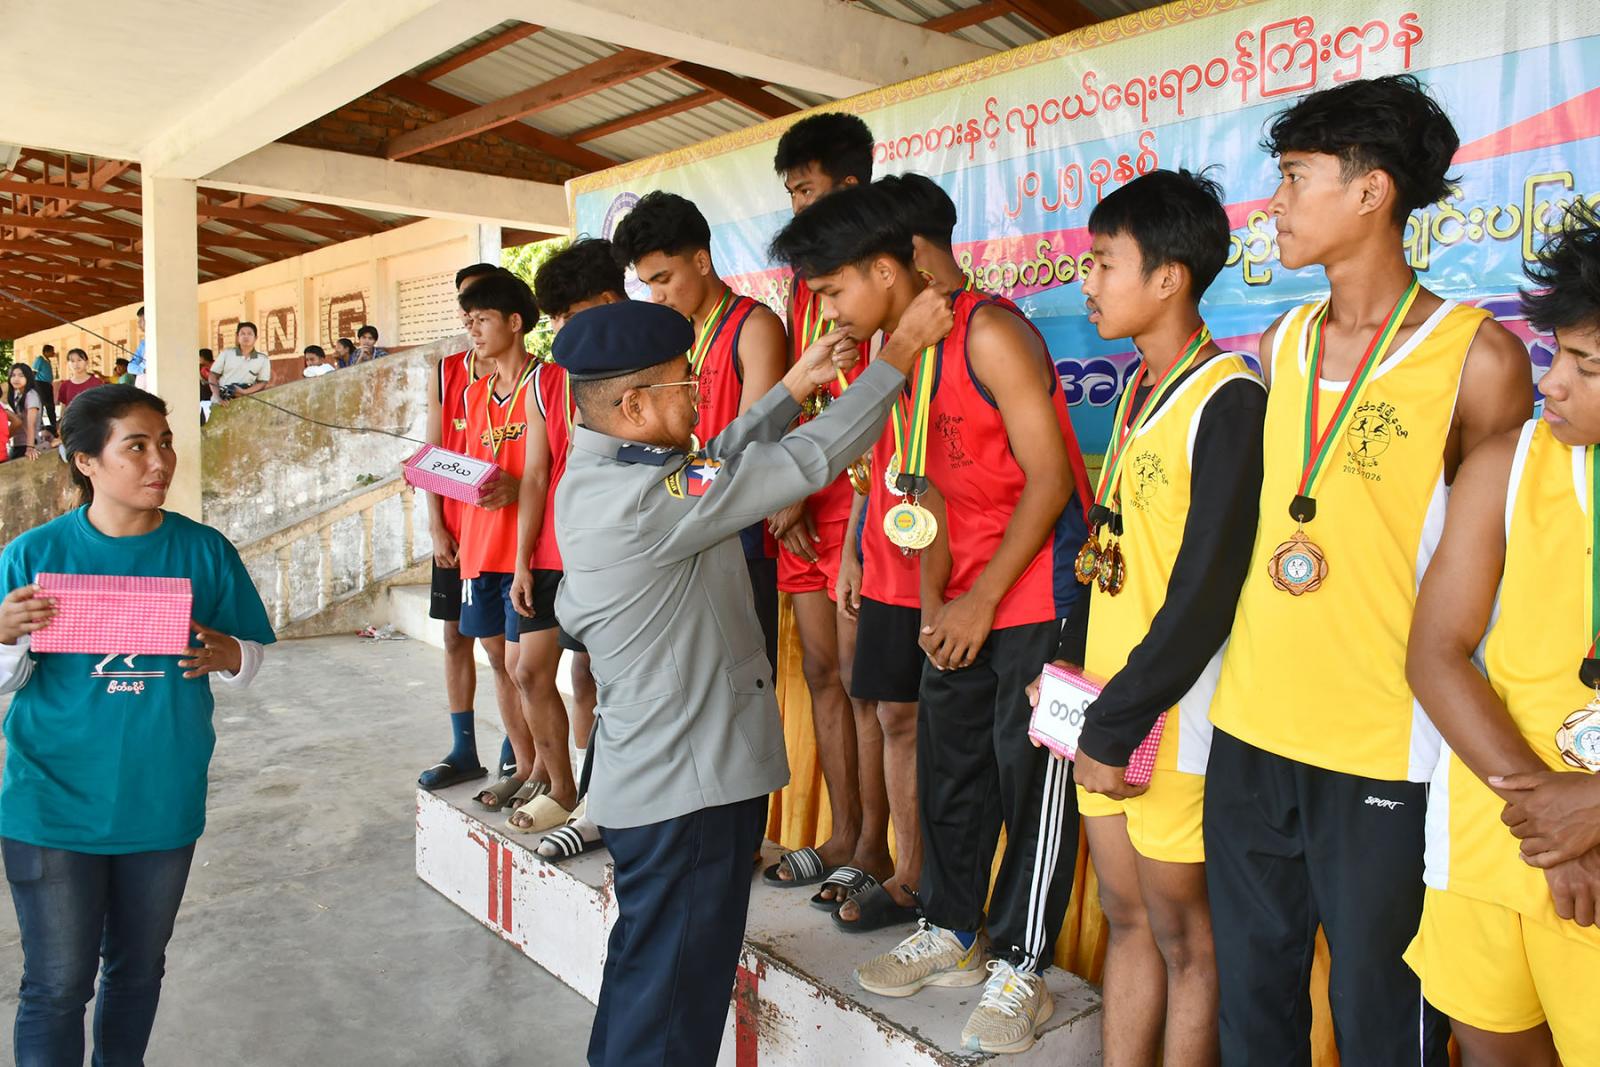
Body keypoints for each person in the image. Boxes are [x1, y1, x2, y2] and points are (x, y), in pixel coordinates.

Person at [1203, 74, 1533, 1066]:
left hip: (1387, 747)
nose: (1273, 204)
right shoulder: (1282, 343)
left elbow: (1505, 573)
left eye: (1294, 178)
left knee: (1381, 1014)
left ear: (1370, 190)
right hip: (1249, 727)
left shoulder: (1478, 360)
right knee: (1252, 1002)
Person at [553, 292, 952, 1067]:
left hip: (660, 785)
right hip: (686, 795)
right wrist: (900, 354)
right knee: (673, 1008)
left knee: (648, 980)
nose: (698, 397)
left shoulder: (612, 471)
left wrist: (791, 388)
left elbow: (710, 469)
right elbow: (805, 463)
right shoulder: (640, 501)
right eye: (685, 384)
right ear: (634, 405)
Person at [771, 181, 1087, 1055]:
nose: (828, 311)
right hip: (959, 597)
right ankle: (951, 927)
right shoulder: (897, 355)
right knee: (951, 771)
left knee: (1031, 786)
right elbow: (924, 492)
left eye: (833, 290)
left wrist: (982, 599)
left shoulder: (989, 333)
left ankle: (1022, 963)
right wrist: (939, 597)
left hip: (1034, 596)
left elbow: (1051, 478)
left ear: (886, 268)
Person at [1028, 170, 1266, 1067]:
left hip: (1175, 715)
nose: (1085, 282)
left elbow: (1205, 591)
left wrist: (1118, 716)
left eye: (1103, 263)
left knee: (1185, 938)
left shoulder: (1229, 397)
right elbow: (1107, 556)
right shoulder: (1137, 389)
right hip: (1104, 706)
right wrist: (1064, 675)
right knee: (1124, 915)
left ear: (1168, 277)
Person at [0, 383, 275, 1065]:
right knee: (57, 984)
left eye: (166, 442)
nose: (161, 460)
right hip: (52, 805)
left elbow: (248, 654)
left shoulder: (204, 551)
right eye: (138, 445)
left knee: (138, 970)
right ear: (86, 461)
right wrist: (4, 636)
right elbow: (7, 678)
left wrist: (231, 654)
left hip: (161, 800)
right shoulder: (34, 556)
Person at [1403, 200, 1600, 1067]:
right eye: (1558, 354)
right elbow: (1434, 654)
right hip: (1494, 835)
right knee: (1493, 1047)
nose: (1552, 382)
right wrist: (1550, 821)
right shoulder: (1509, 462)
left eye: (1588, 366)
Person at [766, 111, 893, 908]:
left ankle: (875, 843)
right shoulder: (799, 282)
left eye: (807, 190)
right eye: (790, 193)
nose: (797, 205)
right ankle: (844, 831)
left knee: (859, 677)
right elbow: (797, 388)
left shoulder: (883, 272)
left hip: (862, 499)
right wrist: (785, 487)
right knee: (819, 670)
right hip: (804, 496)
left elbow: (883, 410)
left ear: (848, 185)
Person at [610, 191, 788, 675]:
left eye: (664, 279)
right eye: (648, 283)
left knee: (746, 677)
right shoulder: (670, 343)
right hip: (680, 524)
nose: (657, 296)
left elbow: (753, 443)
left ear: (702, 262)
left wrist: (680, 492)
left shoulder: (754, 327)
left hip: (738, 531)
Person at [525, 238, 631, 860]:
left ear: (609, 300)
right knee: (586, 674)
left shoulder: (649, 365)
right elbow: (546, 473)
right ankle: (591, 800)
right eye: (556, 318)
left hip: (638, 548)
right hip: (580, 551)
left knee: (622, 680)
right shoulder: (561, 380)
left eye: (569, 313)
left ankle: (609, 805)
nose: (561, 329)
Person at [416, 263, 524, 794]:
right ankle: (464, 750)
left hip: (507, 533)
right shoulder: (447, 372)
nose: (471, 321)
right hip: (459, 533)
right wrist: (437, 525)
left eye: (480, 310)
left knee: (509, 650)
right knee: (456, 635)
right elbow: (433, 454)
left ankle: (518, 747)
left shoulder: (531, 379)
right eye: (466, 310)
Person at [454, 272, 549, 819]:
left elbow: (541, 473)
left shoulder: (545, 383)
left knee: (523, 667)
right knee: (496, 659)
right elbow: (473, 470)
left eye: (482, 319)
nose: (473, 330)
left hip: (524, 549)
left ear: (515, 322)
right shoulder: (472, 393)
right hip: (478, 547)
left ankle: (547, 774)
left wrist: (517, 491)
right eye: (468, 321)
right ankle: (523, 764)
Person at [208, 323, 273, 402]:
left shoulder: (263, 359)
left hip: (246, 402)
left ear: (256, 338)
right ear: (237, 337)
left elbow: (262, 382)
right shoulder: (226, 354)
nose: (246, 336)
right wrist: (217, 397)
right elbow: (213, 375)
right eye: (242, 334)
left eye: (249, 334)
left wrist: (244, 392)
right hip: (222, 401)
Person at [7, 363, 49, 460]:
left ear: (28, 378)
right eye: (13, 375)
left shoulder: (31, 395)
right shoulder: (17, 394)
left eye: (21, 375)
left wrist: (30, 447)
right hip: (18, 443)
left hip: (26, 445)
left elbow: (31, 424)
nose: (16, 379)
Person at [55, 348, 104, 415]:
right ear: (68, 364)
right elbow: (63, 408)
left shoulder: (97, 383)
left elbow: (102, 406)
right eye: (72, 361)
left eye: (79, 360)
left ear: (87, 362)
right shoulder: (65, 385)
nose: (76, 364)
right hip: (71, 420)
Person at [31, 345, 55, 413]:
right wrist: (31, 385)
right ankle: (39, 419)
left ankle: (53, 419)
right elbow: (34, 372)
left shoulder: (48, 361)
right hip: (40, 384)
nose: (53, 353)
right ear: (46, 352)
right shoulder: (40, 359)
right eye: (52, 351)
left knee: (50, 403)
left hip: (48, 384)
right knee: (41, 402)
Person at [129, 307, 146, 390]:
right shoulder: (143, 344)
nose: (139, 324)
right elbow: (130, 367)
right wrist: (143, 370)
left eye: (141, 321)